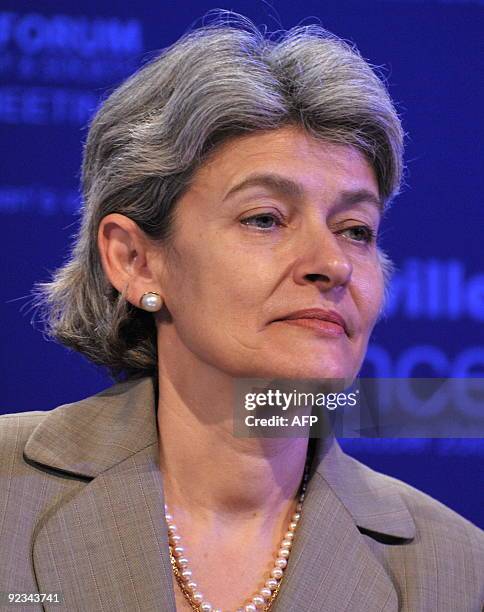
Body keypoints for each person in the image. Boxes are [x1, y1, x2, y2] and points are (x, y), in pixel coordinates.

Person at [1, 12, 482, 612]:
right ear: (135, 261)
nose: (330, 263)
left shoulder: (458, 572)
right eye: (265, 218)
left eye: (356, 229)